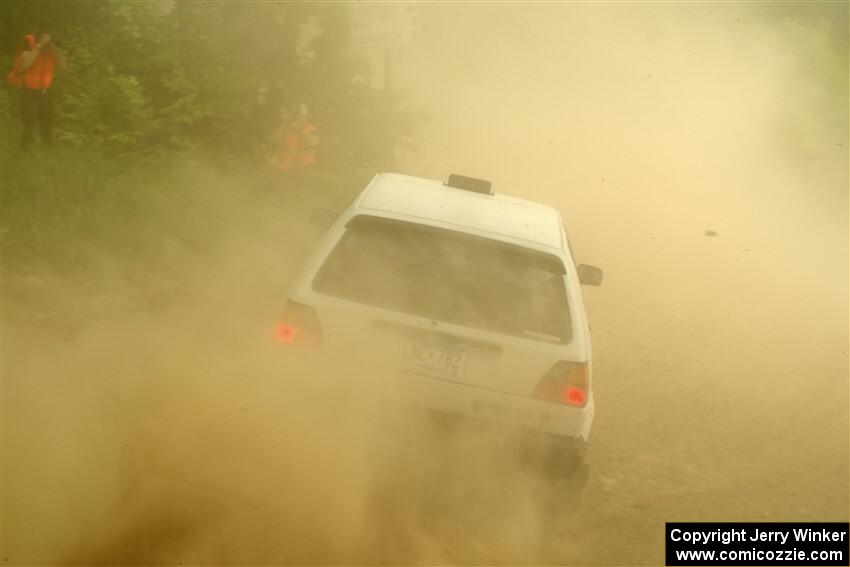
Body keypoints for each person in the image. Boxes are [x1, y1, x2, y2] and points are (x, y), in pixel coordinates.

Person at [7, 25, 66, 151]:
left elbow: (63, 65)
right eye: (44, 36)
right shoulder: (29, 41)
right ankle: (25, 150)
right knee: (29, 120)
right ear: (39, 35)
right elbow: (26, 63)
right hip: (29, 87)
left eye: (49, 37)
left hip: (46, 88)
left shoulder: (52, 47)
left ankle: (47, 149)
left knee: (48, 119)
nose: (47, 39)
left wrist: (57, 49)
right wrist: (39, 47)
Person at [269, 103, 319, 172]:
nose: (302, 117)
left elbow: (311, 149)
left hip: (302, 169)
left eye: (304, 115)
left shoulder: (310, 130)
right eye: (300, 115)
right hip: (284, 167)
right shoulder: (285, 127)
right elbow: (277, 141)